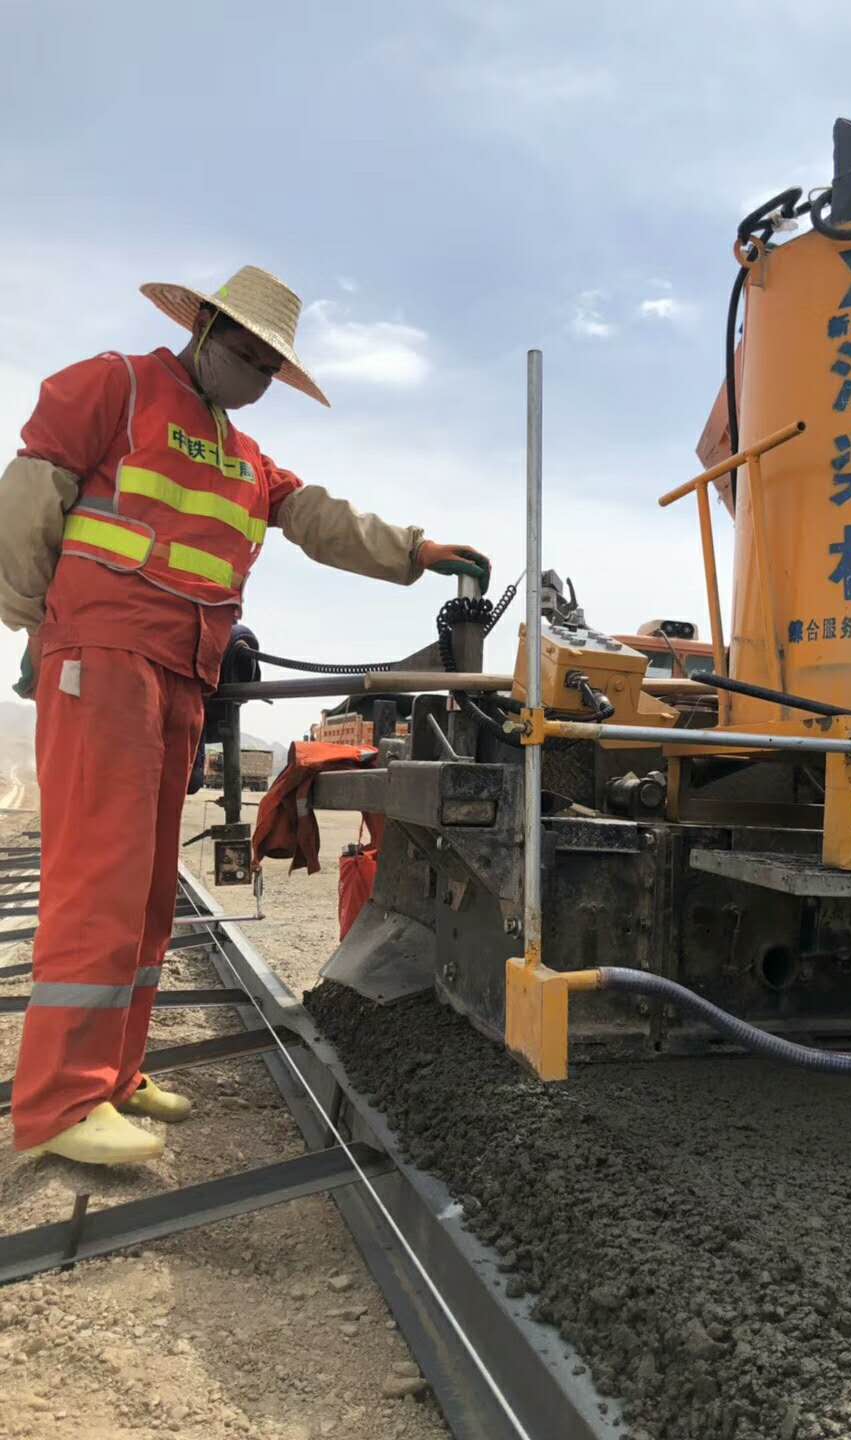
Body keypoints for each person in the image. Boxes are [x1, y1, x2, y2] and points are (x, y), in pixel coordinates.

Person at [0, 266, 490, 1166]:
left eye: (271, 363)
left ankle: (113, 1074)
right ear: (204, 329)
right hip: (104, 659)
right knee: (98, 880)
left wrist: (417, 552)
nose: (257, 370)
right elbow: (29, 500)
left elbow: (318, 519)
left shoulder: (245, 457)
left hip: (183, 677)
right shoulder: (116, 385)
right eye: (248, 351)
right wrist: (40, 626)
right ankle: (58, 1105)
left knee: (146, 891)